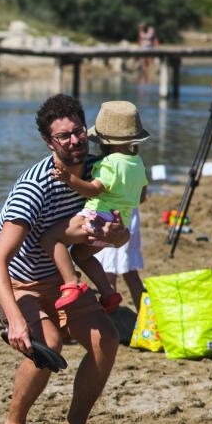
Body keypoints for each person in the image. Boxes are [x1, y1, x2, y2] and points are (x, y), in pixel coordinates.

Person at [0, 94, 127, 424]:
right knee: (46, 343)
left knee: (107, 339)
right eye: (63, 136)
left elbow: (108, 235)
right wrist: (14, 319)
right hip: (5, 278)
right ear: (48, 142)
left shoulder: (98, 173)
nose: (74, 142)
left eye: (79, 132)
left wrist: (118, 237)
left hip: (53, 276)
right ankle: (14, 422)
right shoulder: (34, 188)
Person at [46, 100, 148, 314]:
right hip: (120, 223)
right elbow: (141, 197)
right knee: (81, 255)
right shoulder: (137, 163)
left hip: (97, 217)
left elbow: (93, 190)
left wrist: (68, 178)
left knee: (50, 238)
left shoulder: (109, 163)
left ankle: (71, 283)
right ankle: (108, 293)